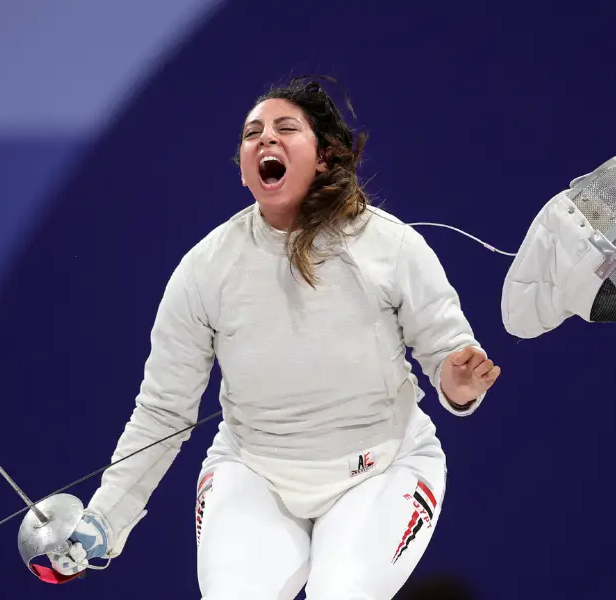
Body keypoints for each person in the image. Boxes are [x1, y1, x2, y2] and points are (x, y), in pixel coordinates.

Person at [47, 76, 501, 600]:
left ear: (325, 157)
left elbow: (449, 352)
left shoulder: (392, 246)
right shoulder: (205, 270)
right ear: (243, 170)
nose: (265, 140)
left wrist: (459, 384)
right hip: (254, 472)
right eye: (252, 134)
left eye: (286, 129)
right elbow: (163, 411)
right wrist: (107, 515)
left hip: (382, 467)